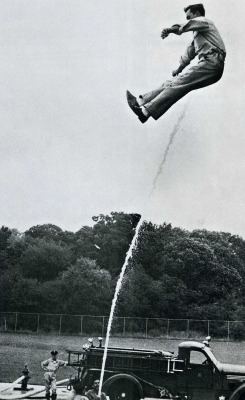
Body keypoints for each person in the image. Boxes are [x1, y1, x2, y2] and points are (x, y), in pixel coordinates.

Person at [127, 3, 226, 123]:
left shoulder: (205, 21)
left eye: (189, 16)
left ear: (197, 14)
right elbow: (189, 53)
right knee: (172, 83)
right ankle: (139, 102)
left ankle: (145, 112)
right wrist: (179, 69)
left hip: (212, 62)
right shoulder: (199, 35)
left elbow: (185, 26)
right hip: (211, 67)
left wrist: (170, 29)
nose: (188, 20)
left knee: (178, 84)